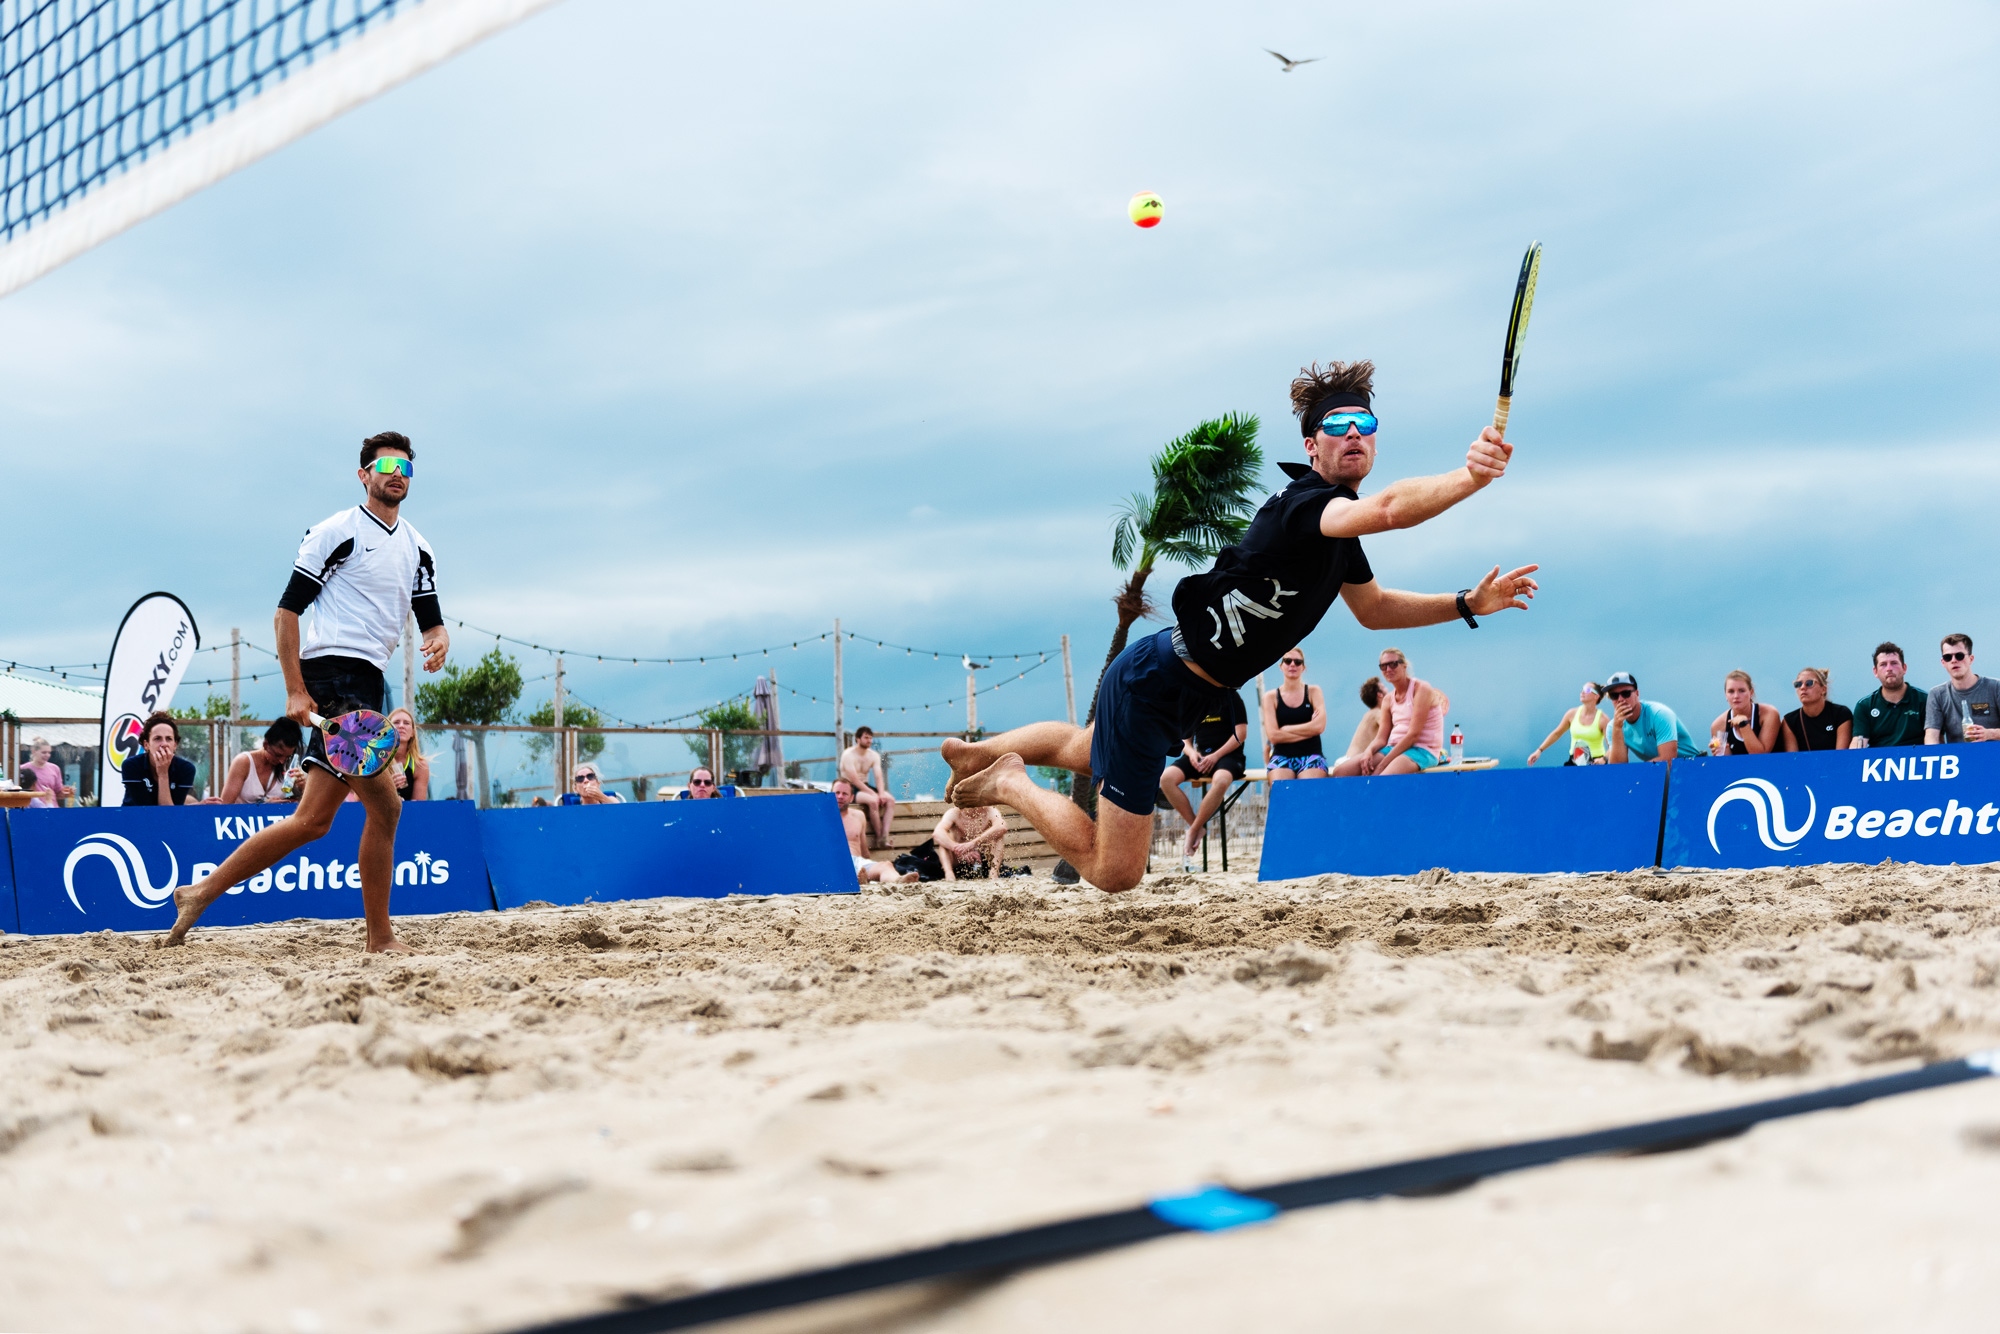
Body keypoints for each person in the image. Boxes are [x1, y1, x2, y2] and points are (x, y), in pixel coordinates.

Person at [939, 358, 1537, 891]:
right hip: (1156, 681)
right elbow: (1386, 509)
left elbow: (1375, 609)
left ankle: (977, 754)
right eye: (1336, 425)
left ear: (1376, 443)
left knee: (1084, 747)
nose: (1353, 432)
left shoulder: (1338, 534)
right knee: (1115, 873)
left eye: (1364, 424)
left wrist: (1464, 603)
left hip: (1182, 683)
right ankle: (1010, 782)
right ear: (1311, 447)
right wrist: (1469, 479)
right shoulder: (1304, 506)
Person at [166, 431, 449, 952]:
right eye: (386, 465)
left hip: (368, 679)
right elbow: (286, 611)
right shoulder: (335, 532)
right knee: (386, 809)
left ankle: (200, 892)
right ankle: (381, 938)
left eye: (406, 468)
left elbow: (428, 616)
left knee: (313, 821)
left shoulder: (417, 545)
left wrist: (438, 637)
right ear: (364, 475)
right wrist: (296, 690)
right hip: (332, 674)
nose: (396, 474)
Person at [1159, 687, 1248, 867]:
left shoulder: (1231, 697)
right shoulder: (1195, 698)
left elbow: (1241, 734)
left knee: (1221, 780)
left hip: (1228, 756)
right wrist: (1191, 753)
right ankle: (1197, 827)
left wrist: (1216, 756)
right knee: (1166, 778)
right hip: (1200, 756)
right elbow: (1185, 739)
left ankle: (1192, 829)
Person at [1334, 647, 1444, 775]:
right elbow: (1381, 739)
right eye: (1383, 666)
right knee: (1341, 772)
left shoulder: (1421, 689)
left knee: (1380, 778)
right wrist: (1368, 752)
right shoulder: (1388, 700)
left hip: (1422, 750)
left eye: (1393, 664)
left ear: (1404, 665)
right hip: (1394, 748)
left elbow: (1413, 735)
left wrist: (1383, 764)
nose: (1388, 669)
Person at [1602, 672, 1703, 763]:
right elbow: (1618, 769)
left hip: (1693, 766)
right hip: (1658, 772)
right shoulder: (1614, 727)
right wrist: (1617, 728)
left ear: (1637, 693)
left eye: (1625, 693)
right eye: (1614, 695)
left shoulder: (1659, 714)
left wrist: (1637, 775)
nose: (1620, 699)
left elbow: (1668, 761)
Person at [1262, 648, 1330, 779]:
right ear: (1281, 666)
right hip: (1282, 757)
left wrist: (1287, 729)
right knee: (1283, 790)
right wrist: (1309, 729)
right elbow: (1273, 736)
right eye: (1288, 661)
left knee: (1308, 790)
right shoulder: (1270, 697)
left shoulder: (1313, 692)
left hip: (1312, 755)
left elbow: (1320, 727)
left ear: (1303, 667)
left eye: (1298, 662)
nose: (1292, 664)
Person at [834, 779, 917, 884]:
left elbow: (863, 849)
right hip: (834, 864)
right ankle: (858, 880)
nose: (840, 796)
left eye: (844, 794)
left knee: (886, 865)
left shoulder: (858, 816)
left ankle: (898, 881)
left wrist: (870, 866)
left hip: (857, 862)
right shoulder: (821, 817)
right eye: (837, 793)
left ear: (851, 798)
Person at [1925, 634, 2000, 744]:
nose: (1954, 660)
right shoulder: (1937, 694)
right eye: (1948, 657)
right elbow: (1932, 736)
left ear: (1971, 659)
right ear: (1943, 662)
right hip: (1958, 759)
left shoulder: (1996, 687)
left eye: (1959, 656)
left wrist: (1989, 734)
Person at [1850, 642, 1926, 749]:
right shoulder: (1865, 705)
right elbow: (1858, 743)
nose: (1889, 668)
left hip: (1916, 761)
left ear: (1904, 668)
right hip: (1878, 762)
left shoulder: (1924, 700)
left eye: (1894, 663)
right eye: (1883, 664)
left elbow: (1933, 739)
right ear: (1875, 671)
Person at [121, 712, 199, 805]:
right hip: (134, 817)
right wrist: (162, 772)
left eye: (169, 738)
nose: (164, 744)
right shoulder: (131, 765)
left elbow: (170, 814)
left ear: (175, 745)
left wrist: (163, 774)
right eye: (158, 738)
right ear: (146, 745)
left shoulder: (186, 769)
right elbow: (147, 811)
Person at [217, 720, 303, 803]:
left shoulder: (288, 767)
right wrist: (263, 807)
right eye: (278, 755)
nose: (282, 761)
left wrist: (302, 788)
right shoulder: (243, 762)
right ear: (266, 744)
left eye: (287, 757)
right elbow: (225, 805)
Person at [838, 726, 896, 849]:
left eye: (870, 738)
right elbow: (853, 779)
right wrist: (873, 794)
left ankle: (885, 836)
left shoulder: (873, 755)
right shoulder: (848, 754)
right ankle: (879, 837)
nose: (869, 741)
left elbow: (878, 776)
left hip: (866, 786)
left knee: (890, 800)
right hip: (851, 787)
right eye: (866, 738)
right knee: (873, 801)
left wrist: (880, 793)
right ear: (858, 739)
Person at [1527, 683, 1608, 766]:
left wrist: (1604, 759)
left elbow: (1612, 746)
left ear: (1596, 696)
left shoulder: (1603, 720)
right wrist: (1539, 750)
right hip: (1574, 762)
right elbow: (1557, 733)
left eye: (1587, 690)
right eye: (1582, 689)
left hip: (1596, 764)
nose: (1582, 692)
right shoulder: (1571, 714)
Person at [1708, 670, 1781, 756]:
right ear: (1725, 695)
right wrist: (1720, 752)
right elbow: (1727, 765)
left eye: (1741, 691)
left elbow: (1760, 756)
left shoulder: (1769, 713)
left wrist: (1744, 724)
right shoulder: (1718, 725)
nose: (1736, 696)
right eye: (1731, 691)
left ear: (1751, 692)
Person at [1782, 668, 1852, 752]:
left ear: (1823, 689)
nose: (1803, 687)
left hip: (1836, 764)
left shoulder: (1841, 713)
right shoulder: (1789, 721)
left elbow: (1841, 756)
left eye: (1809, 683)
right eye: (1798, 684)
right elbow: (1793, 760)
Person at [933, 804, 1007, 881]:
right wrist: (957, 848)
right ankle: (949, 874)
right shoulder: (954, 813)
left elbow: (1002, 827)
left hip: (984, 856)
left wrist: (973, 843)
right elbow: (937, 833)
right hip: (960, 858)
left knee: (998, 837)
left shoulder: (990, 810)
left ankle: (993, 874)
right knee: (944, 841)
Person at [1336, 677, 1385, 767]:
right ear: (1380, 694)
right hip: (1354, 761)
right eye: (1384, 687)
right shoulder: (1378, 713)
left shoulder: (1369, 714)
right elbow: (1393, 729)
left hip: (1347, 759)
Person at [18, 736, 74, 808]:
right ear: (34, 752)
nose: (47, 755)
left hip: (51, 808)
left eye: (49, 752)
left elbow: (59, 793)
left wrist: (68, 793)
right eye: (44, 752)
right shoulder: (23, 768)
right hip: (32, 809)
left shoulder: (55, 768)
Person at [386, 708, 428, 801]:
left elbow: (418, 806)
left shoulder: (420, 765)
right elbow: (358, 799)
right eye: (396, 722)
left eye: (406, 723)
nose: (401, 726)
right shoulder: (375, 761)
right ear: (387, 730)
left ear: (412, 732)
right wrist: (388, 787)